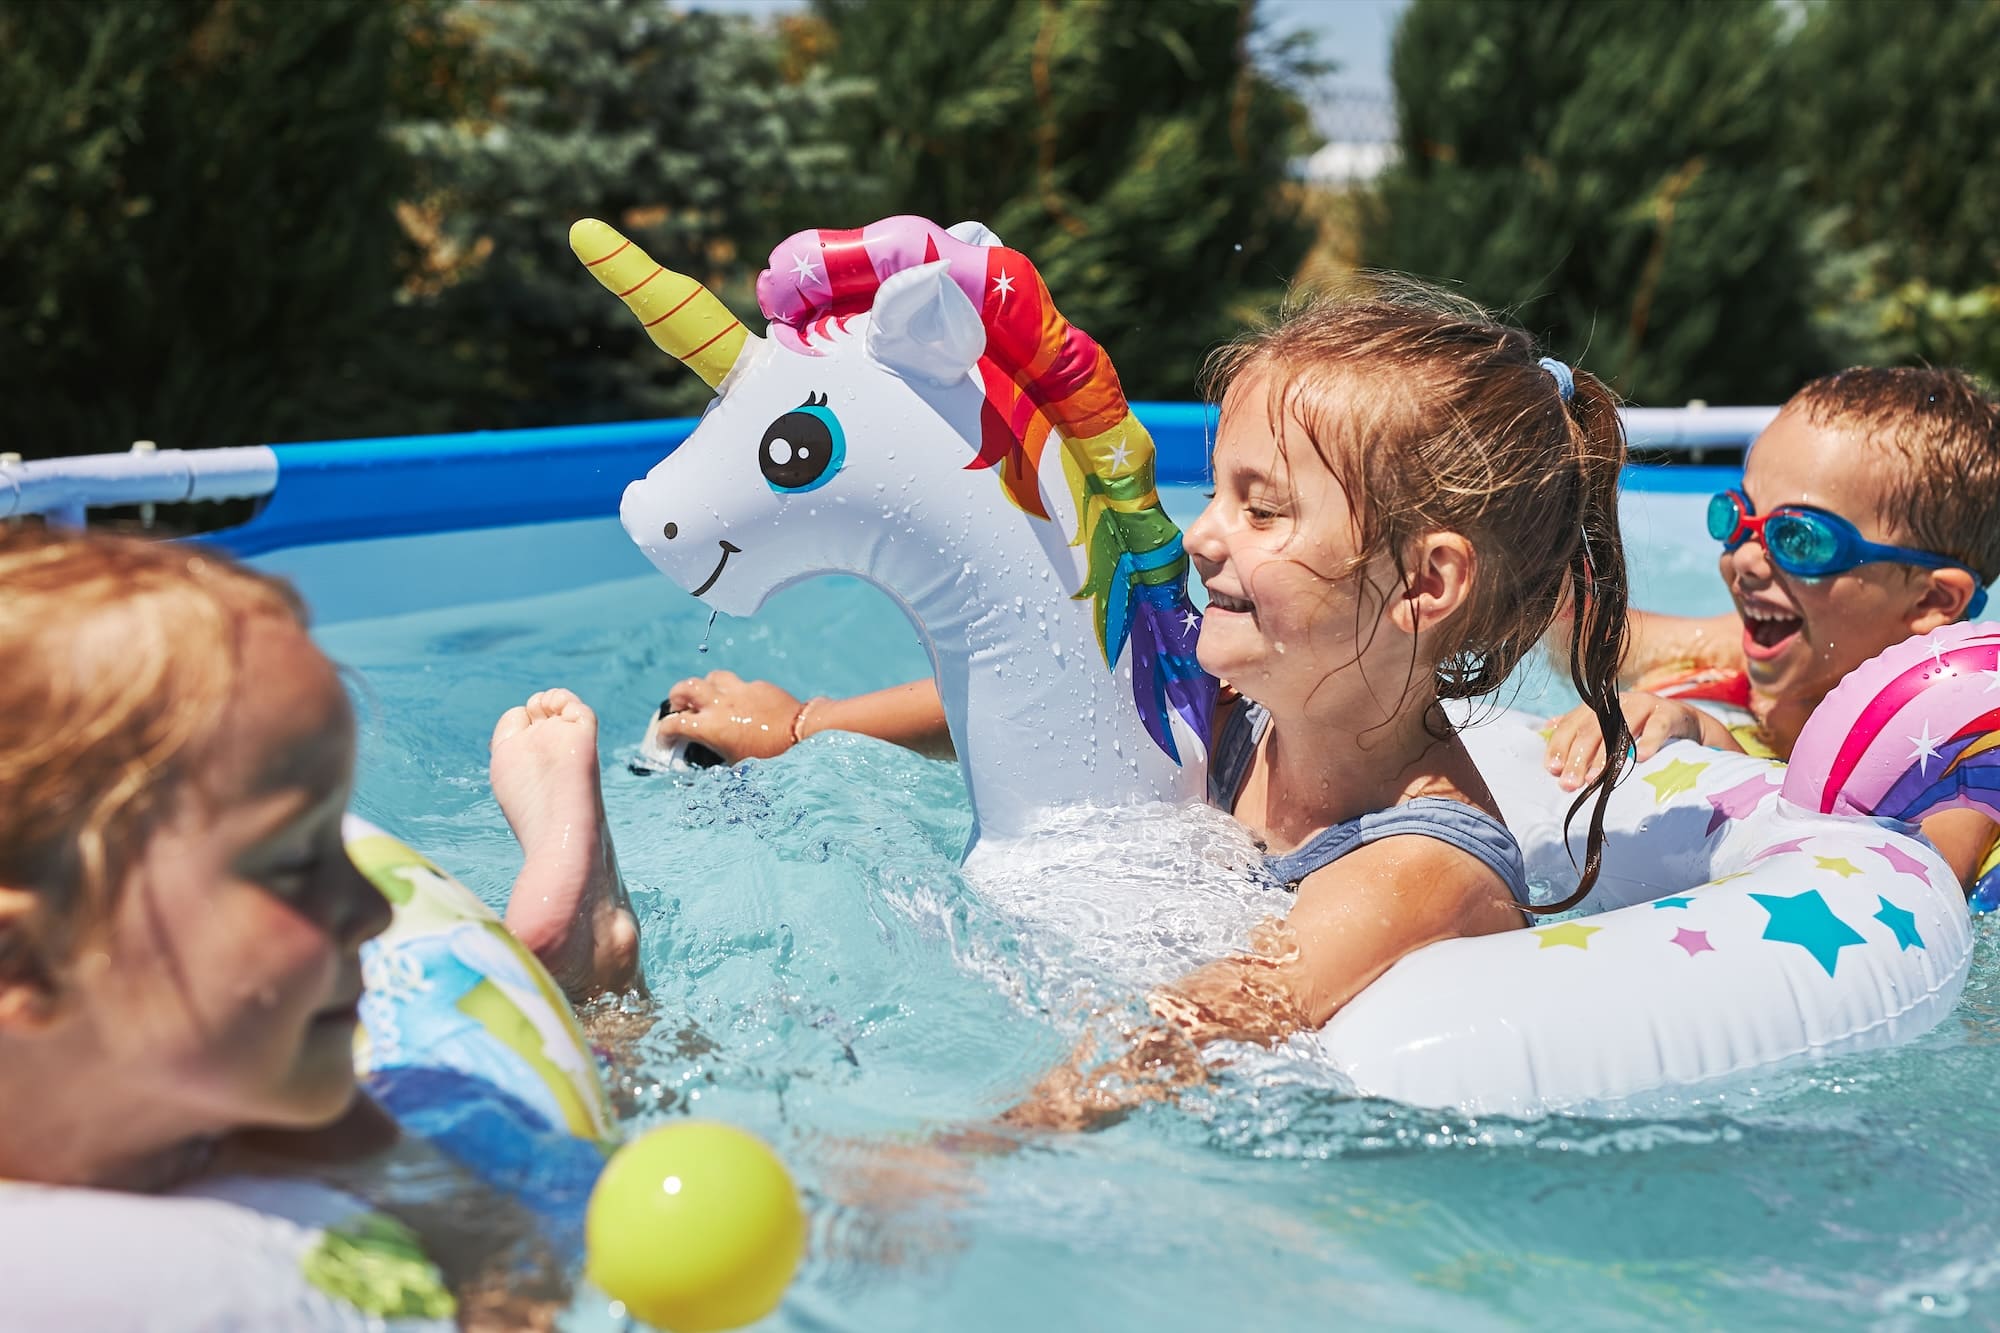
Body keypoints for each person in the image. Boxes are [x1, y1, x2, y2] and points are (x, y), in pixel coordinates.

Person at [653, 282, 1634, 1129]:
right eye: (1214, 491)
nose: (1203, 534)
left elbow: (1198, 1023)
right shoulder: (1230, 709)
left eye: (1261, 508)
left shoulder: (1418, 870)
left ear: (1425, 585)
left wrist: (980, 1146)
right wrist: (804, 725)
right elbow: (1040, 711)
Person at [0, 526, 640, 1328]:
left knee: (604, 1117)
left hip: (421, 1066)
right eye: (297, 864)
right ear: (23, 961)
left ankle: (596, 977)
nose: (373, 908)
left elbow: (502, 1258)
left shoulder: (288, 1101)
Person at [1541, 367, 2000, 899]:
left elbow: (1881, 895)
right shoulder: (1771, 642)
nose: (1745, 560)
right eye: (1737, 518)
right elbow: (1590, 635)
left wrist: (1709, 739)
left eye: (1799, 539)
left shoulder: (1958, 751)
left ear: (1931, 600)